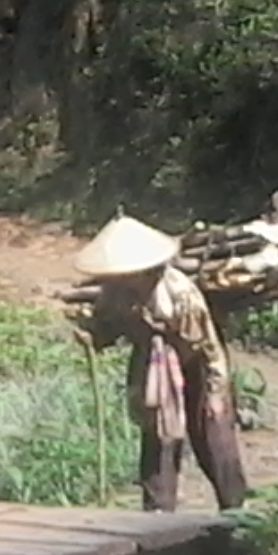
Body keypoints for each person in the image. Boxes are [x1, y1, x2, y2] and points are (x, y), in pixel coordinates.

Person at [69, 215, 249, 513]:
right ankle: (157, 513)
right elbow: (107, 326)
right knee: (158, 438)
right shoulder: (115, 293)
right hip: (152, 366)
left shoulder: (180, 295)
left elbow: (208, 347)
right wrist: (92, 335)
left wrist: (216, 392)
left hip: (196, 365)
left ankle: (236, 512)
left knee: (214, 438)